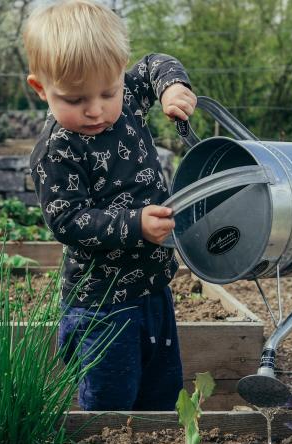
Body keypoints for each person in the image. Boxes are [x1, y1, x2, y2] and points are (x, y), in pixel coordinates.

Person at [23, 0, 197, 411]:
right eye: (74, 98)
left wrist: (172, 87)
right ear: (40, 89)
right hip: (102, 305)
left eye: (108, 91)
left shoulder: (130, 97)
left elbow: (155, 63)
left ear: (120, 75)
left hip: (154, 288)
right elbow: (67, 220)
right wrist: (134, 225)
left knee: (162, 389)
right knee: (110, 402)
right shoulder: (57, 150)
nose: (95, 109)